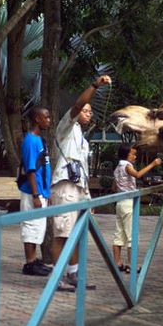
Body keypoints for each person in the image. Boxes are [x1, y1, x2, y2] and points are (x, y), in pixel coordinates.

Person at [51, 75, 112, 292]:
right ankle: (56, 279)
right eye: (86, 111)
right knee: (62, 233)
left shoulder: (81, 138)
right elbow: (77, 105)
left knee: (75, 232)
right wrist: (95, 85)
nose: (89, 114)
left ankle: (73, 274)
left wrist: (88, 197)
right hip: (65, 185)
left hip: (78, 189)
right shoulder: (66, 126)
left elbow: (83, 171)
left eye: (90, 111)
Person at [113, 143, 162, 273]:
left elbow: (114, 186)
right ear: (126, 154)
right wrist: (153, 164)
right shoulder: (127, 166)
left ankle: (117, 263)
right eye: (133, 154)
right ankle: (132, 265)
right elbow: (138, 175)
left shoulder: (117, 167)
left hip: (119, 202)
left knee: (119, 234)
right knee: (131, 236)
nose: (135, 157)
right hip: (128, 203)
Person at [18, 107, 52, 276]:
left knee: (38, 226)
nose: (49, 120)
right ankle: (30, 263)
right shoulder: (31, 141)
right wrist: (36, 194)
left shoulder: (40, 140)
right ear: (37, 119)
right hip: (33, 192)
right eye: (46, 117)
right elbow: (30, 170)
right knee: (31, 226)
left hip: (41, 191)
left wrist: (46, 193)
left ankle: (33, 260)